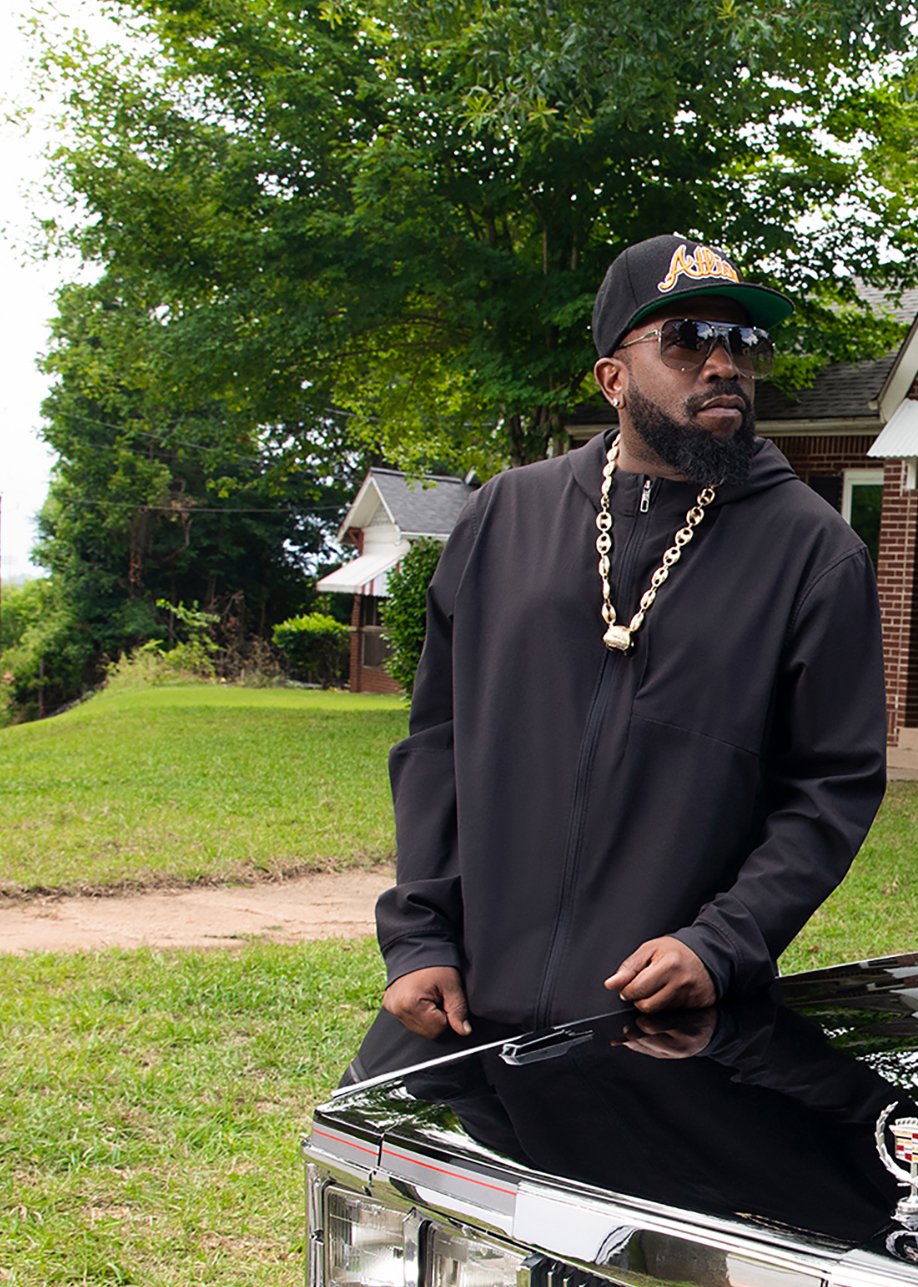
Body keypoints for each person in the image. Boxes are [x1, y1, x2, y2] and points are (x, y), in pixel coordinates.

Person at [347, 233, 887, 1078]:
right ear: (612, 377)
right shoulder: (503, 518)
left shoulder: (814, 554)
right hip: (459, 1006)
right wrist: (418, 937)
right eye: (685, 340)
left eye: (742, 342)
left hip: (657, 1026)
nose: (722, 363)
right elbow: (437, 744)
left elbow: (831, 787)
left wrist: (721, 943)